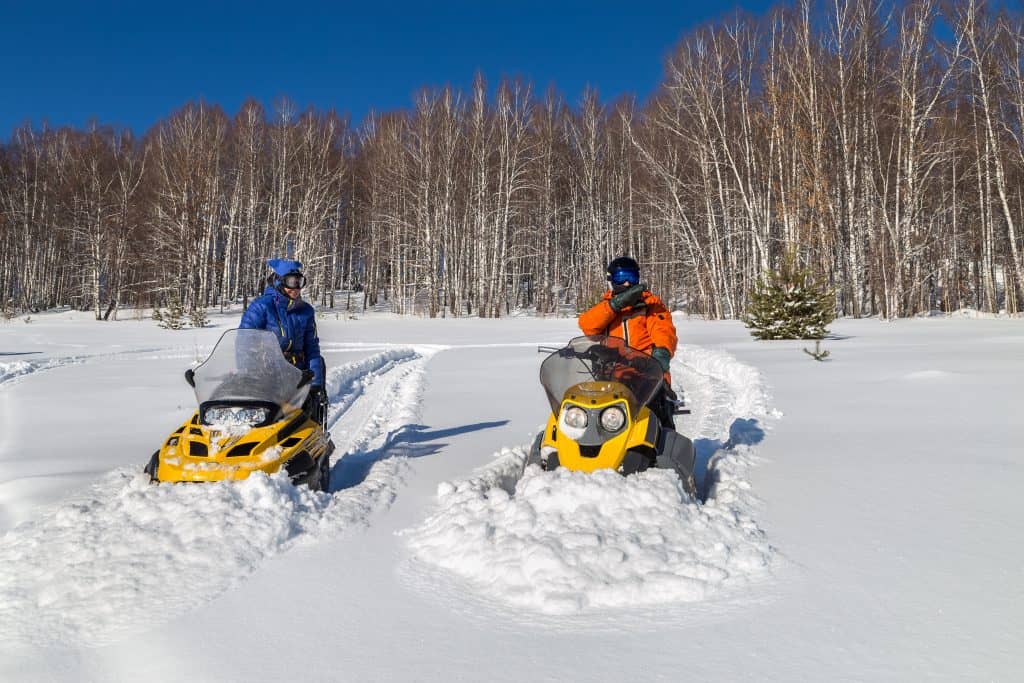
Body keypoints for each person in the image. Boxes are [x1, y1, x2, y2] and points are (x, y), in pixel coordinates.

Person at [578, 256, 678, 428]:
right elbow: (587, 326)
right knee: (593, 418)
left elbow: (663, 330)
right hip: (611, 376)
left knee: (657, 421)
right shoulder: (606, 307)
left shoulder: (650, 304)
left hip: (648, 375)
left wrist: (661, 353)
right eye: (620, 277)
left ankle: (664, 452)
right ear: (611, 280)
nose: (626, 284)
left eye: (630, 277)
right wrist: (615, 305)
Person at [240, 258, 327, 425]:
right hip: (266, 374)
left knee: (305, 418)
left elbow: (312, 348)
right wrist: (247, 376)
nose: (296, 288)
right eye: (291, 282)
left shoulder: (306, 311)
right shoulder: (261, 307)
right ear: (278, 282)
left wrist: (316, 383)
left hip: (298, 374)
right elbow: (244, 343)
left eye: (299, 282)